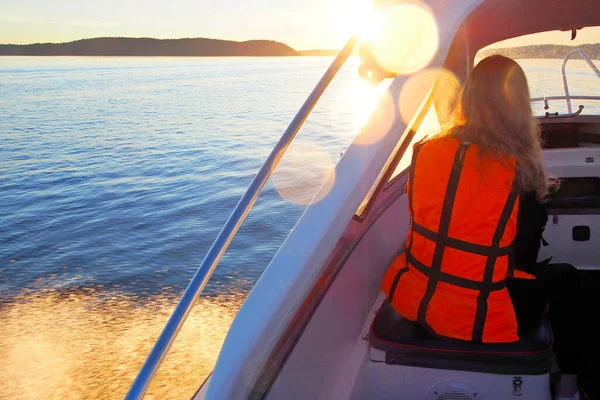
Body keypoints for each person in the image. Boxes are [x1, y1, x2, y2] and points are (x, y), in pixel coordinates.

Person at [380, 55, 584, 400]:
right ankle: (569, 389)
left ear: (469, 98)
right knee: (571, 280)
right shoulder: (518, 171)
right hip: (484, 313)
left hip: (419, 296)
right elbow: (521, 263)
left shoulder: (427, 151)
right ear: (519, 105)